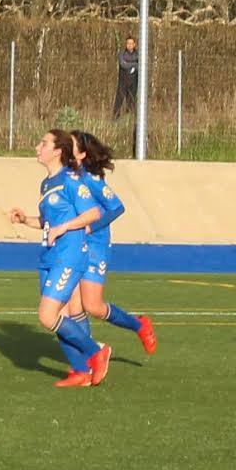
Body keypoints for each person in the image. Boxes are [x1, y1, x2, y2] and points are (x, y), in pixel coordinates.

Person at [9, 129, 112, 387]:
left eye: (43, 143)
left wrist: (64, 228)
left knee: (47, 316)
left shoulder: (72, 181)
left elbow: (92, 215)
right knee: (61, 315)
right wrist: (26, 220)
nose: (37, 147)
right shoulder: (46, 184)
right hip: (51, 255)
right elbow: (49, 221)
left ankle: (96, 352)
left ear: (57, 151)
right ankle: (79, 371)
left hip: (70, 255)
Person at [66, 131, 157, 356]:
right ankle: (90, 358)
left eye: (70, 145)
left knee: (93, 306)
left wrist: (90, 227)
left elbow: (116, 207)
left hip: (95, 248)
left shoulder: (91, 180)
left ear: (82, 153)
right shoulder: (68, 176)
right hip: (75, 246)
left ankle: (139, 325)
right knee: (73, 305)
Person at [112, 36, 139, 118]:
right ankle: (115, 118)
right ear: (126, 44)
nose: (130, 45)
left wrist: (132, 65)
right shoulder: (122, 54)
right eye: (128, 43)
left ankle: (129, 119)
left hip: (133, 82)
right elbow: (123, 64)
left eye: (131, 43)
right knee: (119, 101)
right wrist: (134, 65)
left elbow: (141, 65)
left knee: (131, 102)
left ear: (134, 44)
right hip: (122, 82)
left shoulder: (138, 54)